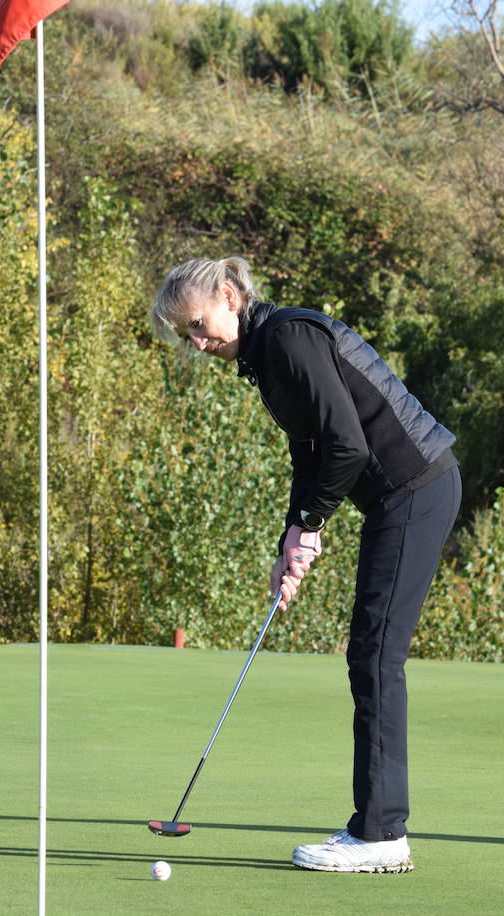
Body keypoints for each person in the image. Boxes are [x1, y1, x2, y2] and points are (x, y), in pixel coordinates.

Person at [150, 256, 462, 873]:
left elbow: (349, 444)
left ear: (230, 295)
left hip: (416, 487)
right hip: (395, 497)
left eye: (199, 322)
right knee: (371, 655)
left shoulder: (289, 338)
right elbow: (311, 451)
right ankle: (379, 828)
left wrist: (313, 524)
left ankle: (380, 835)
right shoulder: (265, 358)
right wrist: (294, 537)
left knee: (374, 656)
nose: (197, 341)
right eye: (185, 335)